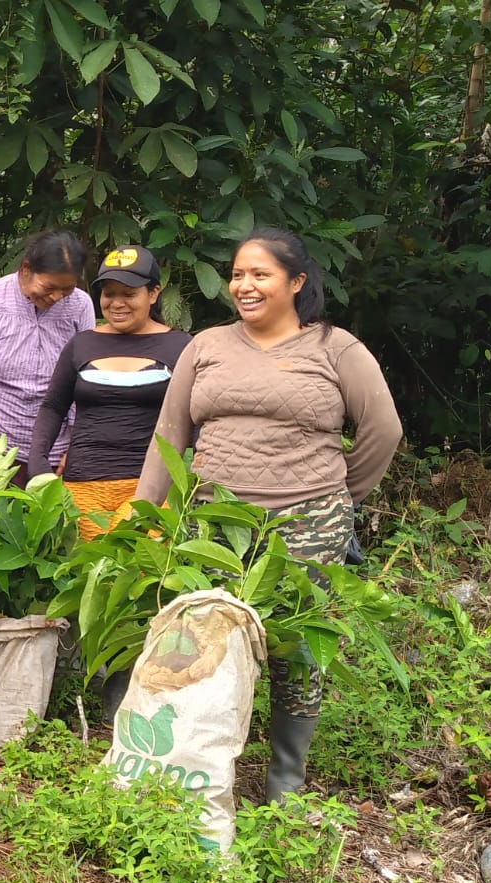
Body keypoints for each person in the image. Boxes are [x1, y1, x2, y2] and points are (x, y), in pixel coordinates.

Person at [135, 227, 402, 803]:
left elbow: (384, 430)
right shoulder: (205, 346)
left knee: (297, 647)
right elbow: (170, 434)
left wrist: (335, 497)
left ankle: (285, 781)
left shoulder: (336, 349)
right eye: (237, 274)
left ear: (296, 282)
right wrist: (142, 516)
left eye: (260, 274)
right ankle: (198, 768)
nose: (244, 285)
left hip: (308, 521)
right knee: (204, 642)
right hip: (214, 523)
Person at [28, 245, 190, 539]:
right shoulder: (82, 344)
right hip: (83, 487)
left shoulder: (180, 347)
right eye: (109, 293)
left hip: (150, 488)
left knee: (138, 573)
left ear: (153, 294)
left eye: (128, 294)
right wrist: (38, 464)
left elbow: (196, 416)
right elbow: (53, 407)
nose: (117, 303)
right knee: (89, 575)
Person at [0, 230, 94, 486]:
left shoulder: (81, 306)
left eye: (67, 289)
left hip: (52, 448)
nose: (57, 297)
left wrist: (75, 444)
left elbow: (83, 378)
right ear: (26, 269)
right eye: (49, 287)